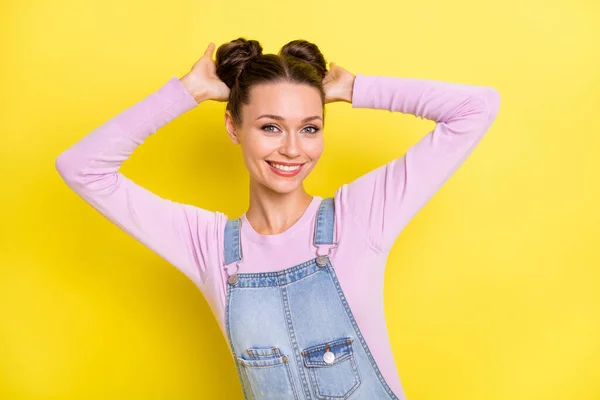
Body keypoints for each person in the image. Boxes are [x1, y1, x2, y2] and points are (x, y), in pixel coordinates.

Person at [55, 37, 500, 400]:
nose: (292, 148)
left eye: (309, 127)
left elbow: (477, 107)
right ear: (233, 127)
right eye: (270, 126)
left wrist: (356, 88)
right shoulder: (206, 245)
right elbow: (82, 167)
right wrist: (187, 92)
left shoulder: (360, 217)